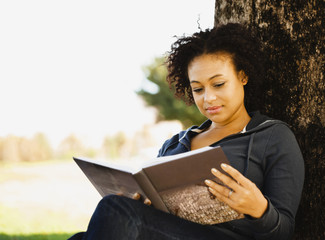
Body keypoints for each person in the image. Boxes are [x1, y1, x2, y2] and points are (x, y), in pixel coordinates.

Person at [68, 23, 304, 240]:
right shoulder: (174, 144)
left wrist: (259, 209)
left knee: (115, 211)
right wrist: (142, 204)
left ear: (242, 76)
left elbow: (284, 231)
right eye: (198, 89)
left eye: (218, 84)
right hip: (170, 232)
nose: (208, 98)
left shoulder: (273, 137)